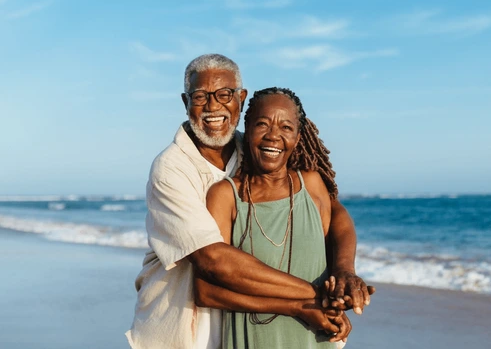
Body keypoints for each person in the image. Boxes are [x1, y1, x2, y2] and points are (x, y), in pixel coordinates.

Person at [126, 54, 371, 349]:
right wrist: (317, 296)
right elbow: (213, 260)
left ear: (240, 100)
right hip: (182, 324)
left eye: (224, 94)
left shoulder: (256, 147)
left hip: (248, 321)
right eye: (201, 96)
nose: (213, 106)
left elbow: (332, 209)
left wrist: (344, 270)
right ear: (185, 102)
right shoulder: (171, 168)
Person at [195, 87, 368, 348]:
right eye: (262, 124)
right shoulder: (226, 196)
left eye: (286, 127)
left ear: (298, 137)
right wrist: (298, 307)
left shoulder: (310, 184)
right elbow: (206, 292)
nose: (273, 136)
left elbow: (339, 221)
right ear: (247, 128)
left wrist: (344, 274)